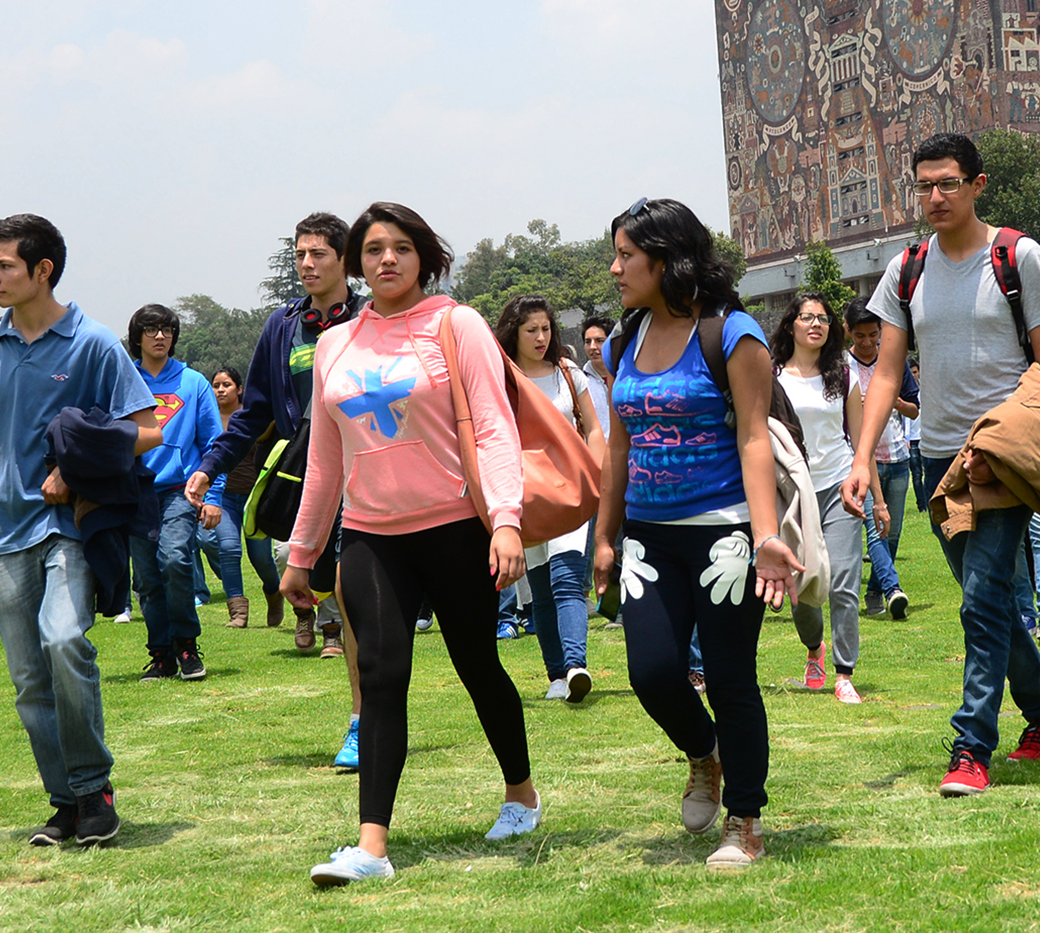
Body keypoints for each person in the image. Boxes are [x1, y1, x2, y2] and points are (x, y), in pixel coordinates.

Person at [280, 202, 541, 886]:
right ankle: (371, 846)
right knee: (380, 675)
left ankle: (521, 792)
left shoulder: (458, 325)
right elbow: (324, 462)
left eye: (400, 247)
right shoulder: (337, 344)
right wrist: (301, 552)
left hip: (456, 526)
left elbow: (492, 427)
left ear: (424, 256)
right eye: (373, 249)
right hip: (371, 535)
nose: (386, 259)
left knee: (477, 664)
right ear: (356, 262)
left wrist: (507, 519)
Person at [842, 133, 1040, 798]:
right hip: (936, 457)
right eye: (923, 185)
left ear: (978, 184)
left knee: (979, 601)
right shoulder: (906, 268)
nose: (935, 196)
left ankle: (972, 745)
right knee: (991, 601)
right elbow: (885, 372)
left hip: (1004, 453)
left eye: (947, 183)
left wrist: (1004, 435)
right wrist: (862, 458)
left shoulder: (1017, 256)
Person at [0, 215, 163, 847]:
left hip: (68, 526)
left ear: (43, 271)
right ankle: (65, 804)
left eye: (4, 266)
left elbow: (149, 429)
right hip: (2, 532)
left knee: (64, 641)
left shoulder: (92, 343)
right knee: (30, 680)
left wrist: (74, 465)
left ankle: (94, 790)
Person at [591, 197, 801, 870]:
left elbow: (753, 438)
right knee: (651, 671)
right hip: (648, 536)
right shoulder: (623, 339)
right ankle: (703, 753)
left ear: (667, 259)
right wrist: (605, 535)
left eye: (627, 254)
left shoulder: (732, 333)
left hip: (725, 536)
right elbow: (618, 449)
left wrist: (765, 533)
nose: (616, 268)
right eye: (616, 254)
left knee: (731, 677)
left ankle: (744, 819)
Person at [183, 213, 366, 767]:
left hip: (372, 480)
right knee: (347, 599)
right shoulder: (282, 328)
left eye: (319, 255)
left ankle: (369, 715)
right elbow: (252, 413)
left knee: (361, 601)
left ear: (344, 260)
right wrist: (210, 466)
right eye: (300, 255)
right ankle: (364, 721)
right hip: (309, 483)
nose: (307, 265)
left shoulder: (371, 318)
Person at [494, 295, 604, 703]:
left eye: (546, 328)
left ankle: (576, 665)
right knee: (539, 587)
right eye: (531, 330)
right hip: (525, 494)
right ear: (514, 333)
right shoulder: (502, 377)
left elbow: (593, 427)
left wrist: (597, 473)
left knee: (567, 578)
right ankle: (556, 674)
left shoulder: (567, 372)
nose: (541, 338)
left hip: (570, 492)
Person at [774, 293, 878, 703]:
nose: (815, 324)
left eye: (823, 318)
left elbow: (860, 442)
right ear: (791, 325)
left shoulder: (844, 375)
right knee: (802, 586)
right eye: (807, 317)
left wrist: (877, 498)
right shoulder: (772, 375)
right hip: (793, 492)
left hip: (839, 487)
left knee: (843, 583)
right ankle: (814, 648)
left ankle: (843, 672)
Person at [125, 304, 223, 682]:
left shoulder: (194, 382)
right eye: (151, 330)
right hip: (135, 493)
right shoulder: (123, 381)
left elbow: (215, 444)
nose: (160, 336)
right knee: (147, 578)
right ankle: (161, 653)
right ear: (137, 337)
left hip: (181, 491)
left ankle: (186, 644)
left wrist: (213, 498)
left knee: (174, 559)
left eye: (167, 329)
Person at [845, 302, 916, 619]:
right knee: (875, 531)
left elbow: (915, 408)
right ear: (848, 331)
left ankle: (875, 592)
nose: (867, 342)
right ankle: (893, 589)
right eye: (860, 335)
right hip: (860, 461)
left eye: (874, 335)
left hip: (898, 457)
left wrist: (890, 399)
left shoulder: (894, 362)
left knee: (893, 533)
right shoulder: (841, 365)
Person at [199, 366, 281, 626]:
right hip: (223, 497)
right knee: (229, 549)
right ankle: (238, 612)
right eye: (216, 385)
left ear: (240, 389)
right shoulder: (207, 417)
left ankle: (274, 592)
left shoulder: (251, 418)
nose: (220, 390)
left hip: (254, 498)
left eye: (226, 385)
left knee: (261, 558)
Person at [905, 359, 928, 511]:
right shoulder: (906, 391)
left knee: (930, 471)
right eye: (910, 372)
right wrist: (905, 437)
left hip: (925, 437)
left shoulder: (925, 391)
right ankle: (922, 505)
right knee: (917, 474)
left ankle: (931, 502)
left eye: (915, 372)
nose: (913, 375)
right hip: (912, 440)